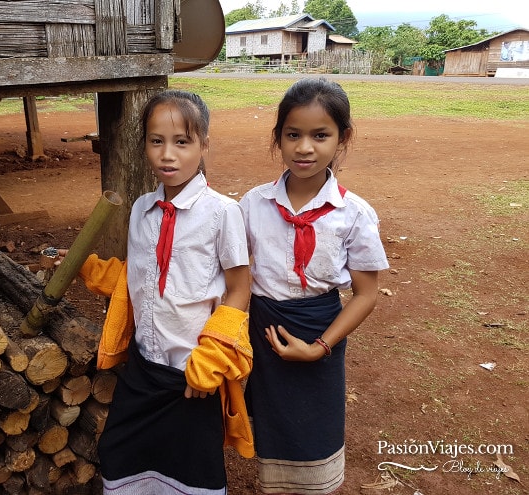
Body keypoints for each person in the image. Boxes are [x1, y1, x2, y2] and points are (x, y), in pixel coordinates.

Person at [62, 89, 253, 494]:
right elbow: (142, 278)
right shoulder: (141, 210)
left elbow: (239, 288)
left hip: (193, 375)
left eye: (182, 142)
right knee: (120, 457)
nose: (168, 154)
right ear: (145, 144)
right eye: (157, 141)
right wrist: (89, 268)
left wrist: (213, 357)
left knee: (192, 469)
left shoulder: (222, 213)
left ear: (204, 144)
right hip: (144, 365)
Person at [239, 77, 389, 495]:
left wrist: (320, 347)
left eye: (320, 135)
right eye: (293, 135)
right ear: (278, 138)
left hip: (322, 331)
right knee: (272, 421)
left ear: (343, 138)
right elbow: (232, 272)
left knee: (314, 425)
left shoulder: (354, 214)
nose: (304, 147)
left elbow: (366, 294)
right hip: (265, 328)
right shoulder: (252, 205)